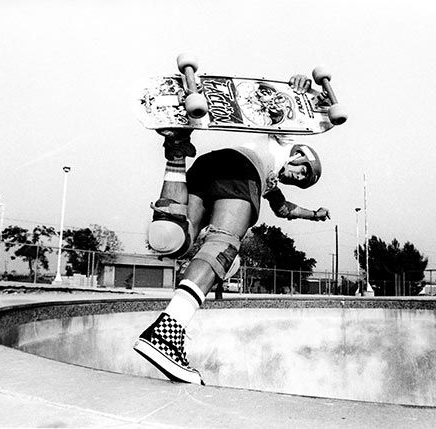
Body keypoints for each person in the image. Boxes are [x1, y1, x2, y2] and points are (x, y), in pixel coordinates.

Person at [133, 74, 331, 385]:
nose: (297, 178)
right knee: (223, 246)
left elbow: (283, 209)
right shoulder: (283, 142)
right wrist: (301, 89)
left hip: (210, 166)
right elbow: (286, 110)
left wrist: (313, 215)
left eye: (302, 182)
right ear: (298, 154)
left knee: (175, 238)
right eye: (302, 171)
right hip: (241, 172)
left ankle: (175, 151)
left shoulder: (271, 182)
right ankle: (166, 333)